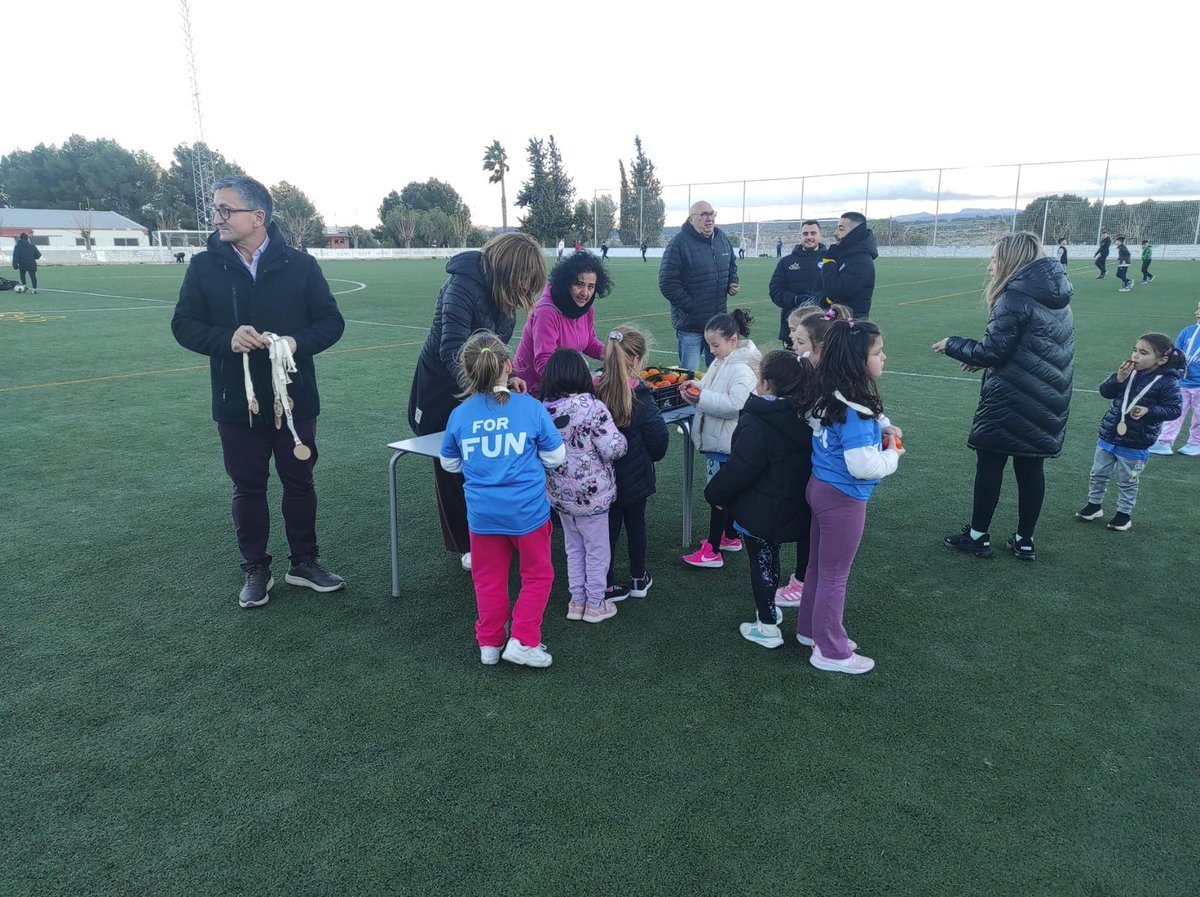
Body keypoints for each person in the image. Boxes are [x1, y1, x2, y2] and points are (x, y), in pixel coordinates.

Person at [171, 174, 346, 609]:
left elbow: (331, 322)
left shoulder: (301, 266)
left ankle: (304, 563)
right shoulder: (203, 266)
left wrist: (293, 343)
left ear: (258, 216)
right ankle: (255, 567)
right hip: (237, 403)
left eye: (225, 210)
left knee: (299, 482)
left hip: (295, 399)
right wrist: (225, 340)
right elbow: (183, 325)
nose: (217, 218)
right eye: (216, 210)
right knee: (247, 488)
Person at [408, 232, 547, 571]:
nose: (525, 289)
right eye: (523, 280)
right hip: (441, 388)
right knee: (450, 462)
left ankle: (493, 530)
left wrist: (506, 375)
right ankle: (466, 544)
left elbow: (495, 346)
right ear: (507, 269)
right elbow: (451, 349)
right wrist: (479, 396)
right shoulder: (462, 286)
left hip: (482, 383)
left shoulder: (504, 293)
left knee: (485, 455)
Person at [934, 232, 1075, 562]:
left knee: (990, 461)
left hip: (1011, 396)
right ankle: (1025, 540)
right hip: (1048, 394)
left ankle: (978, 536)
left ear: (1010, 261)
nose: (989, 266)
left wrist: (952, 344)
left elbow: (994, 351)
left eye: (995, 259)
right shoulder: (1059, 298)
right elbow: (1029, 348)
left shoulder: (1014, 297)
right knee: (1030, 467)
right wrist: (981, 357)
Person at [439, 332, 566, 668]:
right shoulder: (531, 408)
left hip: (483, 516)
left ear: (467, 373)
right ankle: (524, 638)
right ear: (509, 366)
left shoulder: (460, 415)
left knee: (488, 579)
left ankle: (490, 643)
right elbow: (556, 456)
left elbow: (450, 463)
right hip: (528, 514)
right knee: (537, 575)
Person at [799, 320, 903, 674]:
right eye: (877, 352)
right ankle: (830, 648)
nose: (884, 357)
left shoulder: (830, 392)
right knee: (834, 574)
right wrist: (893, 455)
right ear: (857, 361)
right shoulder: (855, 407)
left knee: (818, 567)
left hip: (821, 488)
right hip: (843, 497)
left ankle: (811, 631)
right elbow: (861, 464)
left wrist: (883, 427)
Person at [705, 350, 813, 649]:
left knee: (763, 560)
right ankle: (778, 617)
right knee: (771, 557)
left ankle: (766, 625)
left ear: (764, 382)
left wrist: (715, 494)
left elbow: (741, 469)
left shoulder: (756, 422)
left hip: (762, 509)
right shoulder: (808, 416)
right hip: (796, 503)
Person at [542, 349, 628, 624]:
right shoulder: (592, 407)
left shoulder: (543, 409)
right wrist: (623, 441)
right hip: (593, 497)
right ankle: (595, 603)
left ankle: (576, 600)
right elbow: (613, 448)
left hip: (561, 496)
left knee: (574, 547)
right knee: (597, 549)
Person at [678, 309, 761, 567]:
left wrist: (700, 398)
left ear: (733, 341)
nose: (712, 350)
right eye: (709, 344)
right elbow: (711, 385)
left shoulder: (742, 369)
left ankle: (713, 550)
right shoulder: (721, 361)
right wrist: (693, 387)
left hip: (727, 444)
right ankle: (730, 536)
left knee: (718, 495)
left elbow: (738, 404)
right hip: (719, 441)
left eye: (715, 344)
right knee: (725, 494)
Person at [1076, 333, 1183, 532]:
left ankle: (1123, 515)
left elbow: (1174, 410)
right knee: (1098, 473)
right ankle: (1094, 505)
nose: (1135, 356)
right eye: (1135, 350)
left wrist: (1149, 411)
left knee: (1128, 480)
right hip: (1109, 435)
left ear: (1162, 360)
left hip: (1136, 442)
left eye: (1143, 353)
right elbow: (1105, 392)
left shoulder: (1168, 381)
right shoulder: (1129, 372)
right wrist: (1118, 378)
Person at [595, 326, 668, 601]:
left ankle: (607, 582)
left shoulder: (595, 389)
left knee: (608, 530)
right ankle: (638, 577)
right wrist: (652, 456)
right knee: (636, 523)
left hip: (603, 478)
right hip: (635, 476)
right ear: (636, 360)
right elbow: (658, 436)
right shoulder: (641, 395)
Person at [511, 250, 609, 398]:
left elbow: (588, 342)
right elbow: (544, 361)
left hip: (565, 385)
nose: (585, 293)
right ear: (566, 283)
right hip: (532, 388)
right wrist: (574, 387)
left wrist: (611, 355)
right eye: (579, 284)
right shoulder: (547, 311)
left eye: (591, 287)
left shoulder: (586, 309)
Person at [658, 201, 739, 370]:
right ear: (691, 219)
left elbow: (732, 264)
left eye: (711, 214)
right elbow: (667, 282)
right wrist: (691, 306)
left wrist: (733, 281)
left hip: (717, 324)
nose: (708, 218)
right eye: (703, 215)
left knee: (718, 372)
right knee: (689, 375)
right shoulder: (678, 243)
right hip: (690, 326)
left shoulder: (721, 238)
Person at [1150, 300, 1200, 456]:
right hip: (1183, 383)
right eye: (1197, 308)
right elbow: (1176, 353)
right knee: (1174, 412)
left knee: (1199, 417)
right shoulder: (1188, 331)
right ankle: (1164, 442)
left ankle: (1195, 443)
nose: (1197, 313)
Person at [770, 220, 826, 345]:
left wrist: (821, 300)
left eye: (813, 233)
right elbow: (775, 290)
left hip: (822, 328)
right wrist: (796, 299)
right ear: (800, 236)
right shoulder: (786, 262)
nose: (809, 237)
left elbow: (838, 291)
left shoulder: (831, 261)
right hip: (792, 329)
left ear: (820, 235)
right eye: (805, 234)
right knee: (792, 364)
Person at [817, 212, 878, 319]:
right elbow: (820, 286)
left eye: (841, 229)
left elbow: (834, 292)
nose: (835, 233)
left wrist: (828, 261)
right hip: (837, 322)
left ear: (855, 232)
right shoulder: (845, 256)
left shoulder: (861, 262)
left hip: (850, 327)